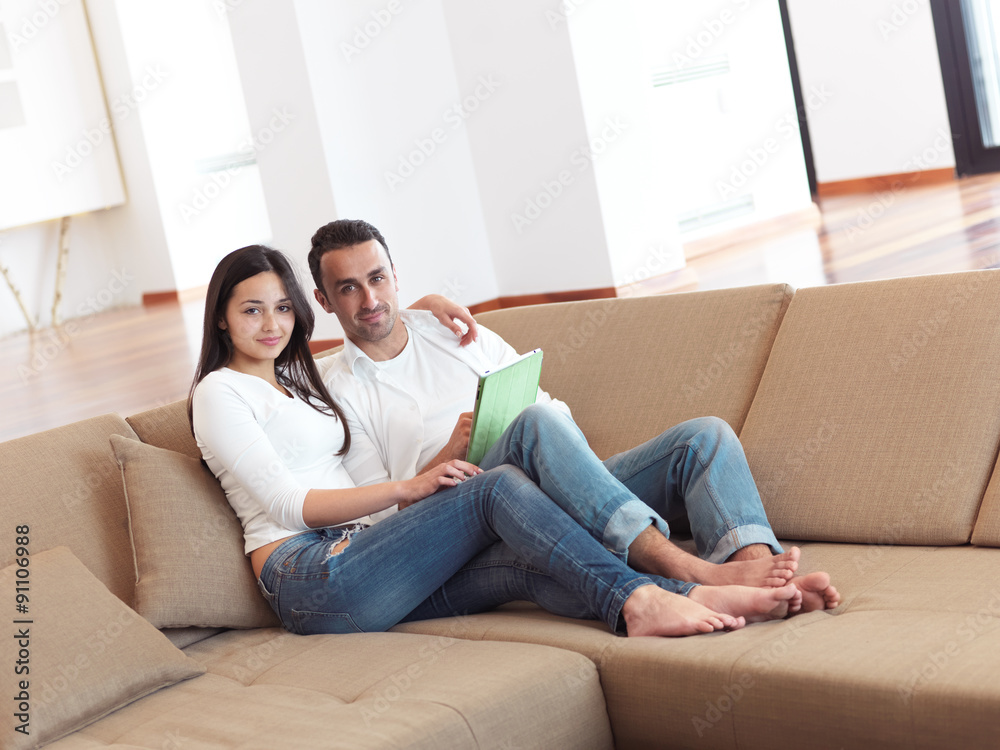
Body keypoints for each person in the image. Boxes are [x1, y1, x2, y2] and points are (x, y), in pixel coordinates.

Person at [189, 244, 803, 639]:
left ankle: (748, 579)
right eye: (251, 311)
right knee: (502, 480)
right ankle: (663, 590)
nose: (270, 324)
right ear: (222, 316)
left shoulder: (300, 381)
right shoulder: (228, 391)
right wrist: (426, 475)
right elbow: (289, 506)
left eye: (279, 309)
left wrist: (421, 314)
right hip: (312, 572)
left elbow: (367, 493)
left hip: (378, 550)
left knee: (696, 443)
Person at [310, 219, 840, 612]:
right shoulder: (334, 392)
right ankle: (680, 566)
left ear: (395, 275)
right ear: (324, 301)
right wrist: (445, 460)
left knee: (704, 438)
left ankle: (752, 571)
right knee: (532, 427)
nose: (370, 298)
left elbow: (553, 411)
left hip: (557, 475)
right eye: (348, 288)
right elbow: (374, 526)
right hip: (479, 521)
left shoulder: (454, 331)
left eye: (377, 278)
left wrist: (529, 436)